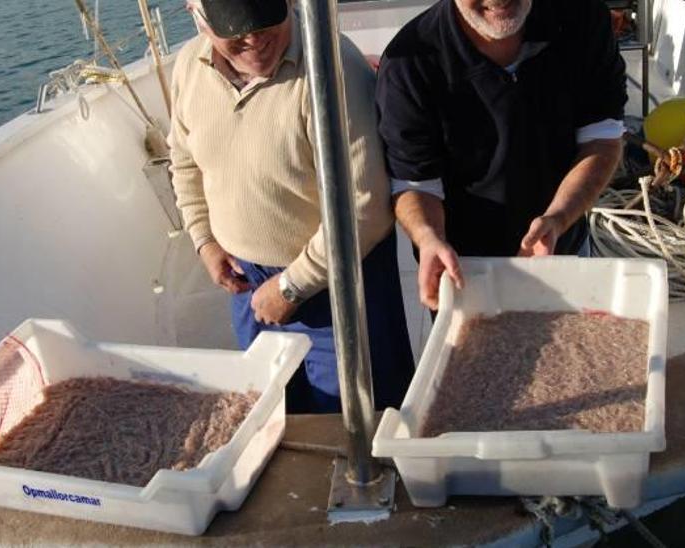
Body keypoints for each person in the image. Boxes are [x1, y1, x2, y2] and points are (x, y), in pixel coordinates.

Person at [168, 0, 415, 413]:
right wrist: (205, 241)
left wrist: (291, 286)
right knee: (275, 415)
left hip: (340, 283)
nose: (255, 40)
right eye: (236, 31)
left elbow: (364, 209)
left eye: (266, 22)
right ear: (197, 16)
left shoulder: (334, 70)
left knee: (361, 422)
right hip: (247, 281)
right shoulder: (189, 68)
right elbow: (184, 161)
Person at [376, 0, 627, 309]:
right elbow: (415, 183)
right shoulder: (408, 62)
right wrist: (428, 238)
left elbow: (601, 137)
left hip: (566, 251)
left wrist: (558, 217)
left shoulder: (583, 18)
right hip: (467, 274)